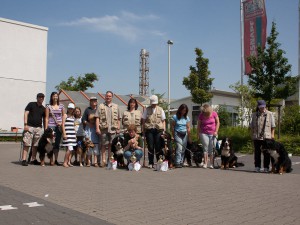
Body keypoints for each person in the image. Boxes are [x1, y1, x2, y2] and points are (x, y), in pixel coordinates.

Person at [95, 91, 121, 167]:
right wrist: (97, 128)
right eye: (107, 96)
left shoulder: (116, 106)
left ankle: (109, 160)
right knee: (103, 145)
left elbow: (119, 118)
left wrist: (118, 127)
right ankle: (103, 160)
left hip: (113, 129)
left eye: (110, 96)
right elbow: (97, 118)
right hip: (103, 129)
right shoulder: (100, 106)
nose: (108, 97)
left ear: (112, 97)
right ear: (104, 97)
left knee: (111, 145)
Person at [250, 100, 275, 173]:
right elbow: (252, 126)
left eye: (263, 107)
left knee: (266, 153)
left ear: (265, 106)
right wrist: (252, 134)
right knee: (257, 153)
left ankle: (266, 167)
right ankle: (257, 167)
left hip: (267, 137)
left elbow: (273, 126)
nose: (262, 108)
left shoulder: (270, 114)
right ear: (258, 107)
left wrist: (272, 134)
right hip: (257, 136)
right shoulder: (254, 114)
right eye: (261, 107)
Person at [21, 93, 46, 166]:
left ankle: (33, 159)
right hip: (29, 127)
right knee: (27, 143)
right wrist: (25, 124)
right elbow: (26, 113)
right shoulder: (31, 104)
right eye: (40, 97)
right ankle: (24, 159)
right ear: (37, 98)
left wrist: (44, 129)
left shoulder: (43, 108)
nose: (41, 98)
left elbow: (44, 119)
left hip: (38, 128)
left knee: (35, 145)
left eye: (42, 97)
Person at [142, 95, 166, 168]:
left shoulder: (161, 109)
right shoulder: (147, 109)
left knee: (158, 146)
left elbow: (163, 120)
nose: (154, 104)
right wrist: (143, 131)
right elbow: (143, 120)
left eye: (155, 103)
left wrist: (164, 131)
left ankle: (159, 161)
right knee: (150, 146)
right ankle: (151, 162)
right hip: (149, 130)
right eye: (153, 103)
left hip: (158, 130)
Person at [197, 103, 220, 169]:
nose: (206, 115)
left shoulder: (214, 113)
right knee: (205, 148)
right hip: (204, 133)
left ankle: (212, 164)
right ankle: (205, 163)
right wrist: (198, 134)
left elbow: (218, 122)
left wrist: (216, 131)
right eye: (204, 113)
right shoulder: (201, 115)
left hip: (213, 133)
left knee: (212, 148)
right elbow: (198, 125)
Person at [45, 91, 65, 166]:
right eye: (54, 96)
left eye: (56, 96)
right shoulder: (48, 107)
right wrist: (46, 128)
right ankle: (51, 159)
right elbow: (46, 118)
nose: (55, 97)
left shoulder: (61, 106)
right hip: (51, 126)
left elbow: (63, 116)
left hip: (59, 126)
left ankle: (56, 159)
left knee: (57, 143)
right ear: (51, 97)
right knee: (50, 143)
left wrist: (62, 123)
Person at [171, 104, 191, 168]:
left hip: (185, 134)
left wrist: (189, 137)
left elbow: (188, 128)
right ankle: (177, 162)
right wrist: (173, 135)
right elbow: (172, 127)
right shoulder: (175, 117)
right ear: (180, 109)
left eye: (185, 111)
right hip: (178, 133)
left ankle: (181, 162)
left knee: (183, 149)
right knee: (179, 148)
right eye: (183, 110)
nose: (183, 112)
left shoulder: (186, 118)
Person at [82, 96, 100, 167]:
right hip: (89, 128)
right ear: (90, 102)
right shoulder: (87, 110)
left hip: (96, 129)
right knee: (89, 145)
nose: (94, 102)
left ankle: (95, 162)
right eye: (92, 100)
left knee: (96, 145)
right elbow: (83, 119)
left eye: (95, 100)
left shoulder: (98, 109)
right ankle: (88, 161)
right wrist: (89, 124)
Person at [62, 103, 77, 168]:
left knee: (71, 149)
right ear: (68, 108)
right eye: (70, 108)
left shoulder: (73, 117)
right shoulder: (65, 115)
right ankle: (65, 162)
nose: (71, 110)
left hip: (72, 134)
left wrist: (75, 135)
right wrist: (64, 133)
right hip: (67, 134)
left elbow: (73, 126)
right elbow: (63, 125)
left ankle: (68, 162)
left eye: (72, 109)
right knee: (69, 149)